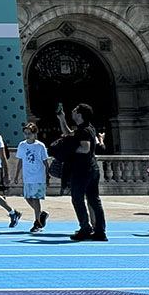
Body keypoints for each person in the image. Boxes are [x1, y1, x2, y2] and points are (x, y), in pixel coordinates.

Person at [57, 103, 107, 242]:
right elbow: (69, 135)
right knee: (94, 200)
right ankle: (100, 231)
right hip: (92, 169)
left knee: (78, 199)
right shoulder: (87, 128)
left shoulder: (84, 130)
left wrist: (68, 151)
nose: (72, 112)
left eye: (74, 111)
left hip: (82, 170)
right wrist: (62, 119)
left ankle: (85, 228)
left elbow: (85, 148)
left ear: (79, 114)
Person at [15, 122, 50, 232]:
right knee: (28, 197)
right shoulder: (22, 145)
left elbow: (45, 162)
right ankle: (40, 214)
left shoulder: (40, 146)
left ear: (34, 133)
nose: (27, 135)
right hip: (27, 176)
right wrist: (17, 175)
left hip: (38, 176)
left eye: (29, 133)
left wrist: (47, 176)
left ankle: (37, 222)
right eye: (25, 133)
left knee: (35, 199)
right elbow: (20, 161)